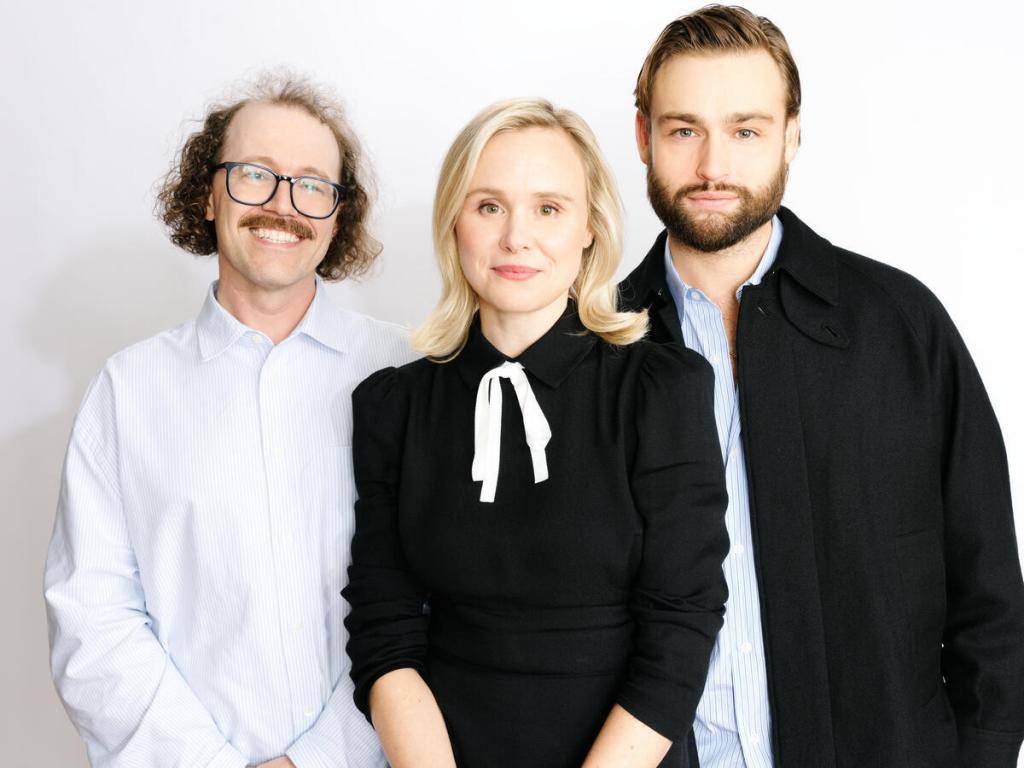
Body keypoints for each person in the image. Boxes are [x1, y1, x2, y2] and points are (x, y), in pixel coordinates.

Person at [619, 6, 1024, 767]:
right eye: (683, 130)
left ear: (791, 135)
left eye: (745, 130)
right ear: (643, 137)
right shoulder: (597, 350)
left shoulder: (903, 325)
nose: (713, 166)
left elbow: (991, 594)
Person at [342, 98, 730, 767]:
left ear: (589, 228)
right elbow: (384, 631)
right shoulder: (392, 406)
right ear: (454, 222)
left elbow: (682, 627)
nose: (516, 237)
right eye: (488, 205)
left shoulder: (660, 388)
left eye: (548, 208)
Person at [43, 74, 412, 767]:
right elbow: (92, 621)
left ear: (338, 215)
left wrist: (323, 757)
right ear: (208, 194)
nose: (282, 204)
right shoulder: (127, 392)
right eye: (254, 175)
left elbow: (448, 588)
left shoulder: (406, 371)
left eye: (311, 184)